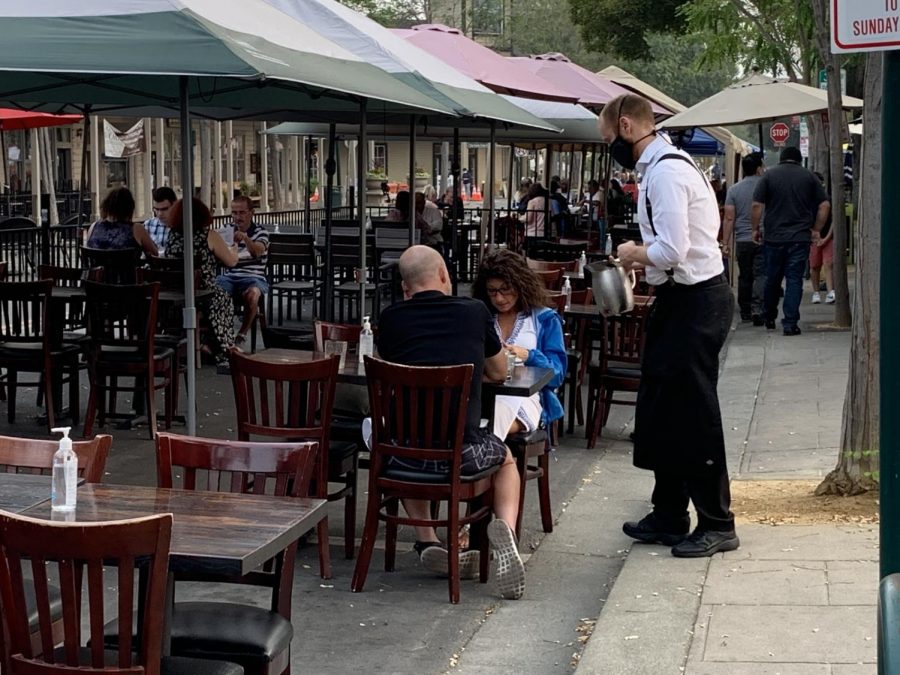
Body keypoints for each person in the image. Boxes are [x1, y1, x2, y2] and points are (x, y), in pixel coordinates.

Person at [599, 93, 738, 558]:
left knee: (694, 410)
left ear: (625, 126)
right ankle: (670, 512)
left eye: (608, 139)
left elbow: (672, 251)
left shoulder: (667, 172)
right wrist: (648, 262)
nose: (609, 147)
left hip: (697, 301)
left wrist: (632, 253)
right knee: (661, 404)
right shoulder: (659, 169)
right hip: (679, 298)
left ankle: (718, 522)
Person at [376, 245, 526, 600]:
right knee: (505, 459)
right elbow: (499, 371)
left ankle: (427, 540)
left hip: (402, 455)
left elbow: (384, 364)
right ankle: (504, 528)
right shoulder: (474, 313)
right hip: (463, 451)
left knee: (402, 440)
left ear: (405, 287)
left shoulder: (391, 318)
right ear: (444, 275)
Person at [471, 250, 566, 441]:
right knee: (484, 420)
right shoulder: (481, 317)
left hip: (528, 398)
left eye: (505, 289)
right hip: (485, 396)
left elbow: (558, 375)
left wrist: (529, 356)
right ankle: (495, 460)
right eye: (492, 291)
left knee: (491, 423)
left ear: (521, 285)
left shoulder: (543, 319)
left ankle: (485, 454)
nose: (499, 298)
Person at [751, 146, 830, 335]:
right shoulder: (809, 177)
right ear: (798, 159)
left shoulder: (768, 177)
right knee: (794, 280)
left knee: (772, 279)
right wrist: (816, 229)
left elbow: (756, 205)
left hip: (773, 238)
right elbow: (824, 205)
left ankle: (769, 315)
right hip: (799, 238)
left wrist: (755, 229)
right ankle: (790, 323)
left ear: (781, 159)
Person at [167, 198, 239, 373]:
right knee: (223, 297)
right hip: (202, 291)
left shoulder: (173, 235)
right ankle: (224, 349)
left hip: (176, 293)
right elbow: (230, 262)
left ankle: (204, 343)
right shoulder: (209, 235)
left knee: (219, 296)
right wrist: (234, 250)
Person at [215, 195, 270, 345]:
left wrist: (246, 239)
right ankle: (218, 336)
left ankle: (242, 334)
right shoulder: (226, 230)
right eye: (234, 213)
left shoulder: (261, 231)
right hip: (229, 276)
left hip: (254, 277)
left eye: (241, 213)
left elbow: (258, 251)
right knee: (211, 291)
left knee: (252, 295)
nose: (237, 217)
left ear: (252, 213)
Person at [722, 154, 766, 325]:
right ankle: (758, 307)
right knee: (761, 274)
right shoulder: (765, 187)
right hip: (762, 237)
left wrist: (725, 243)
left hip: (742, 239)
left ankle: (745, 310)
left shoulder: (734, 190)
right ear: (758, 168)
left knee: (745, 276)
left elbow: (729, 218)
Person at [86, 187, 158, 257]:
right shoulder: (136, 229)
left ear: (106, 206)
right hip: (126, 269)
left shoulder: (93, 227)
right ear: (130, 208)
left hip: (97, 269)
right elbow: (154, 254)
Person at [809, 172, 834, 304]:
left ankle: (830, 291)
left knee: (828, 263)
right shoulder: (807, 200)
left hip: (827, 237)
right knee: (814, 266)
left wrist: (826, 237)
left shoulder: (829, 199)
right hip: (813, 238)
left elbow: (834, 221)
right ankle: (816, 292)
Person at [143, 186, 177, 252]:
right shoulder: (148, 225)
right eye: (156, 209)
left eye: (164, 209)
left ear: (174, 206)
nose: (160, 214)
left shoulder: (184, 226)